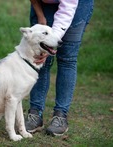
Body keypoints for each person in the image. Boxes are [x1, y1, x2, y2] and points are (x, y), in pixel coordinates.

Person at [25, 0, 94, 136]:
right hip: (43, 6)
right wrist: (40, 15)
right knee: (39, 58)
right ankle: (35, 113)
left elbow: (66, 10)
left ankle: (60, 115)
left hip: (74, 6)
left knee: (67, 59)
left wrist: (51, 43)